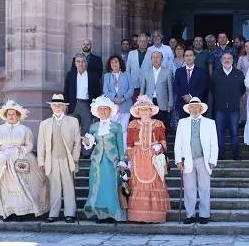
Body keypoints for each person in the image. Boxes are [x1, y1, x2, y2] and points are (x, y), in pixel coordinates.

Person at [0, 100, 48, 222]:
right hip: (4, 163)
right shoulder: (0, 129)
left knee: (23, 186)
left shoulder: (25, 129)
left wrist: (18, 151)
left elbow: (30, 145)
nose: (11, 116)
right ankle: (9, 211)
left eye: (13, 114)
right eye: (9, 114)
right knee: (7, 188)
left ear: (18, 115)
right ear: (6, 116)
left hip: (20, 161)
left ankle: (24, 212)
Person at [125, 95, 171, 223]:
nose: (144, 112)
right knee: (137, 183)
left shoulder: (158, 124)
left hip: (153, 157)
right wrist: (129, 156)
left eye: (146, 109)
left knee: (154, 182)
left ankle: (154, 215)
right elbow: (129, 144)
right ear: (138, 111)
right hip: (138, 156)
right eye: (141, 109)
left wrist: (159, 149)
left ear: (151, 110)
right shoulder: (133, 124)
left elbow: (163, 141)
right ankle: (138, 215)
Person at [37, 94, 81, 223]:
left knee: (68, 186)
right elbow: (41, 144)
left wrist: (75, 158)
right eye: (54, 105)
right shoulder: (45, 124)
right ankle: (54, 213)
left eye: (60, 105)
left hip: (67, 159)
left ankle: (70, 214)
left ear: (64, 107)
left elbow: (77, 142)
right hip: (52, 159)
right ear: (51, 107)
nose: (57, 107)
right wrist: (41, 160)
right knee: (54, 186)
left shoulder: (73, 121)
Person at [82, 96, 127, 222]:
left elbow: (120, 144)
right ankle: (100, 213)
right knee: (98, 187)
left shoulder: (116, 126)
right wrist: (87, 142)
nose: (103, 111)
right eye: (100, 109)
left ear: (110, 110)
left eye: (105, 109)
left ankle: (112, 213)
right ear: (97, 111)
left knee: (110, 187)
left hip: (112, 161)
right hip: (97, 161)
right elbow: (89, 144)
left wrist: (122, 160)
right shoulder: (93, 127)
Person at [174, 97, 218, 224]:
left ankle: (204, 215)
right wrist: (178, 160)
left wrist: (212, 160)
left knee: (204, 187)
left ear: (201, 108)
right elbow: (178, 143)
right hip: (187, 159)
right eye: (191, 107)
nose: (194, 109)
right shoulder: (182, 123)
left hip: (203, 159)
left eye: (196, 107)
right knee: (189, 188)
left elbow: (214, 143)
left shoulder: (210, 123)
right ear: (188, 109)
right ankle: (190, 214)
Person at [211, 52, 245, 160]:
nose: (227, 60)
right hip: (219, 108)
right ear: (221, 61)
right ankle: (220, 155)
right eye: (224, 58)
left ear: (232, 60)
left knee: (234, 132)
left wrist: (234, 98)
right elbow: (212, 89)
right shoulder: (216, 73)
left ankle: (236, 154)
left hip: (234, 108)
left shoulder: (238, 73)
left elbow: (242, 89)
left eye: (229, 58)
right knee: (219, 133)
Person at [64, 53, 101, 145]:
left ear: (86, 63)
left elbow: (97, 93)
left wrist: (96, 107)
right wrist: (65, 105)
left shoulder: (93, 76)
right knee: (71, 129)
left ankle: (86, 153)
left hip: (86, 105)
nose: (81, 63)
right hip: (73, 105)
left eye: (83, 61)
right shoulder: (70, 75)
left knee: (87, 129)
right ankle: (73, 153)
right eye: (78, 61)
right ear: (75, 63)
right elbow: (66, 91)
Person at [103, 55, 133, 149]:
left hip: (125, 106)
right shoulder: (107, 76)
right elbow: (105, 91)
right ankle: (113, 152)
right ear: (110, 65)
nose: (114, 64)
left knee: (123, 130)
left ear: (120, 63)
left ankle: (123, 153)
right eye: (112, 62)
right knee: (112, 130)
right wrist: (114, 98)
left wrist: (123, 98)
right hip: (112, 106)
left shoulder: (127, 74)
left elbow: (131, 89)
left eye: (116, 62)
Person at [139, 50, 173, 127]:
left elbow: (170, 90)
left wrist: (170, 104)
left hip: (163, 103)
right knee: (149, 126)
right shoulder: (146, 72)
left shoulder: (167, 72)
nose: (155, 59)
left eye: (158, 57)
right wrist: (140, 102)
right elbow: (142, 88)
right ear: (151, 59)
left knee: (162, 126)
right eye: (153, 57)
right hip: (149, 103)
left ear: (162, 59)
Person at [173, 49, 207, 121]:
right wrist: (184, 95)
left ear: (194, 57)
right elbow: (175, 86)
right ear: (184, 58)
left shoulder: (201, 71)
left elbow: (202, 87)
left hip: (196, 104)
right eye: (187, 56)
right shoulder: (179, 71)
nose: (189, 58)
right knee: (184, 127)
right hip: (182, 103)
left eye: (191, 55)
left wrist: (191, 96)